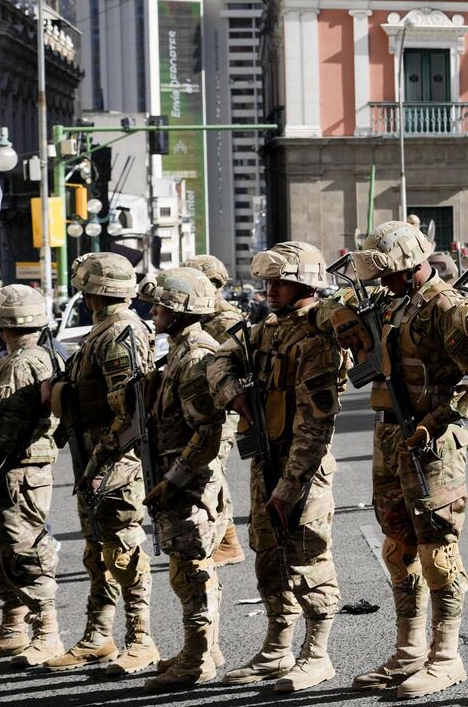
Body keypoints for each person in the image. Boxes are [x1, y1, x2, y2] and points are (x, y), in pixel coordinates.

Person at [331, 220, 468, 698]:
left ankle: (446, 657)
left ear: (411, 265)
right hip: (389, 439)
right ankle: (409, 650)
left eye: (388, 272)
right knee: (398, 549)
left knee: (438, 553)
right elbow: (337, 308)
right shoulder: (392, 302)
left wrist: (441, 417)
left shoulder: (446, 305)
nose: (380, 281)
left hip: (430, 442)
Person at [207, 242, 346, 693]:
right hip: (266, 457)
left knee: (308, 557)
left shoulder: (316, 339)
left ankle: (317, 654)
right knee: (269, 556)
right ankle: (276, 648)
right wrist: (234, 392)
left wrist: (290, 485)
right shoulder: (267, 329)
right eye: (267, 282)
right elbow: (219, 359)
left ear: (303, 283)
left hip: (302, 466)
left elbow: (315, 426)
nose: (269, 290)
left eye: (278, 282)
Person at [44, 253, 158, 676]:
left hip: (113, 459)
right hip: (92, 456)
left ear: (92, 290)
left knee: (124, 551)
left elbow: (130, 409)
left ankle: (141, 640)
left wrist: (102, 460)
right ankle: (98, 636)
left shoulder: (121, 332)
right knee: (98, 551)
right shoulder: (102, 330)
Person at [138, 268, 233, 691]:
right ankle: (203, 648)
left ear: (181, 311)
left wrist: (173, 480)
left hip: (190, 483)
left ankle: (197, 660)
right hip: (182, 479)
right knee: (188, 568)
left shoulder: (195, 356)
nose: (155, 310)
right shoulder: (180, 348)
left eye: (163, 305)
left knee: (192, 570)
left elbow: (208, 430)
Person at [0, 285, 63, 668]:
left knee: (24, 552)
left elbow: (4, 429)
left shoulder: (20, 363)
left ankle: (47, 633)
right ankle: (14, 627)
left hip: (17, 470)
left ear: (1, 322)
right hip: (20, 468)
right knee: (3, 550)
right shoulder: (41, 355)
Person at [180, 255, 248, 568]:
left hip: (225, 408)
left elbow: (242, 363)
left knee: (213, 472)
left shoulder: (223, 319)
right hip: (210, 405)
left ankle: (227, 540)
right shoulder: (205, 315)